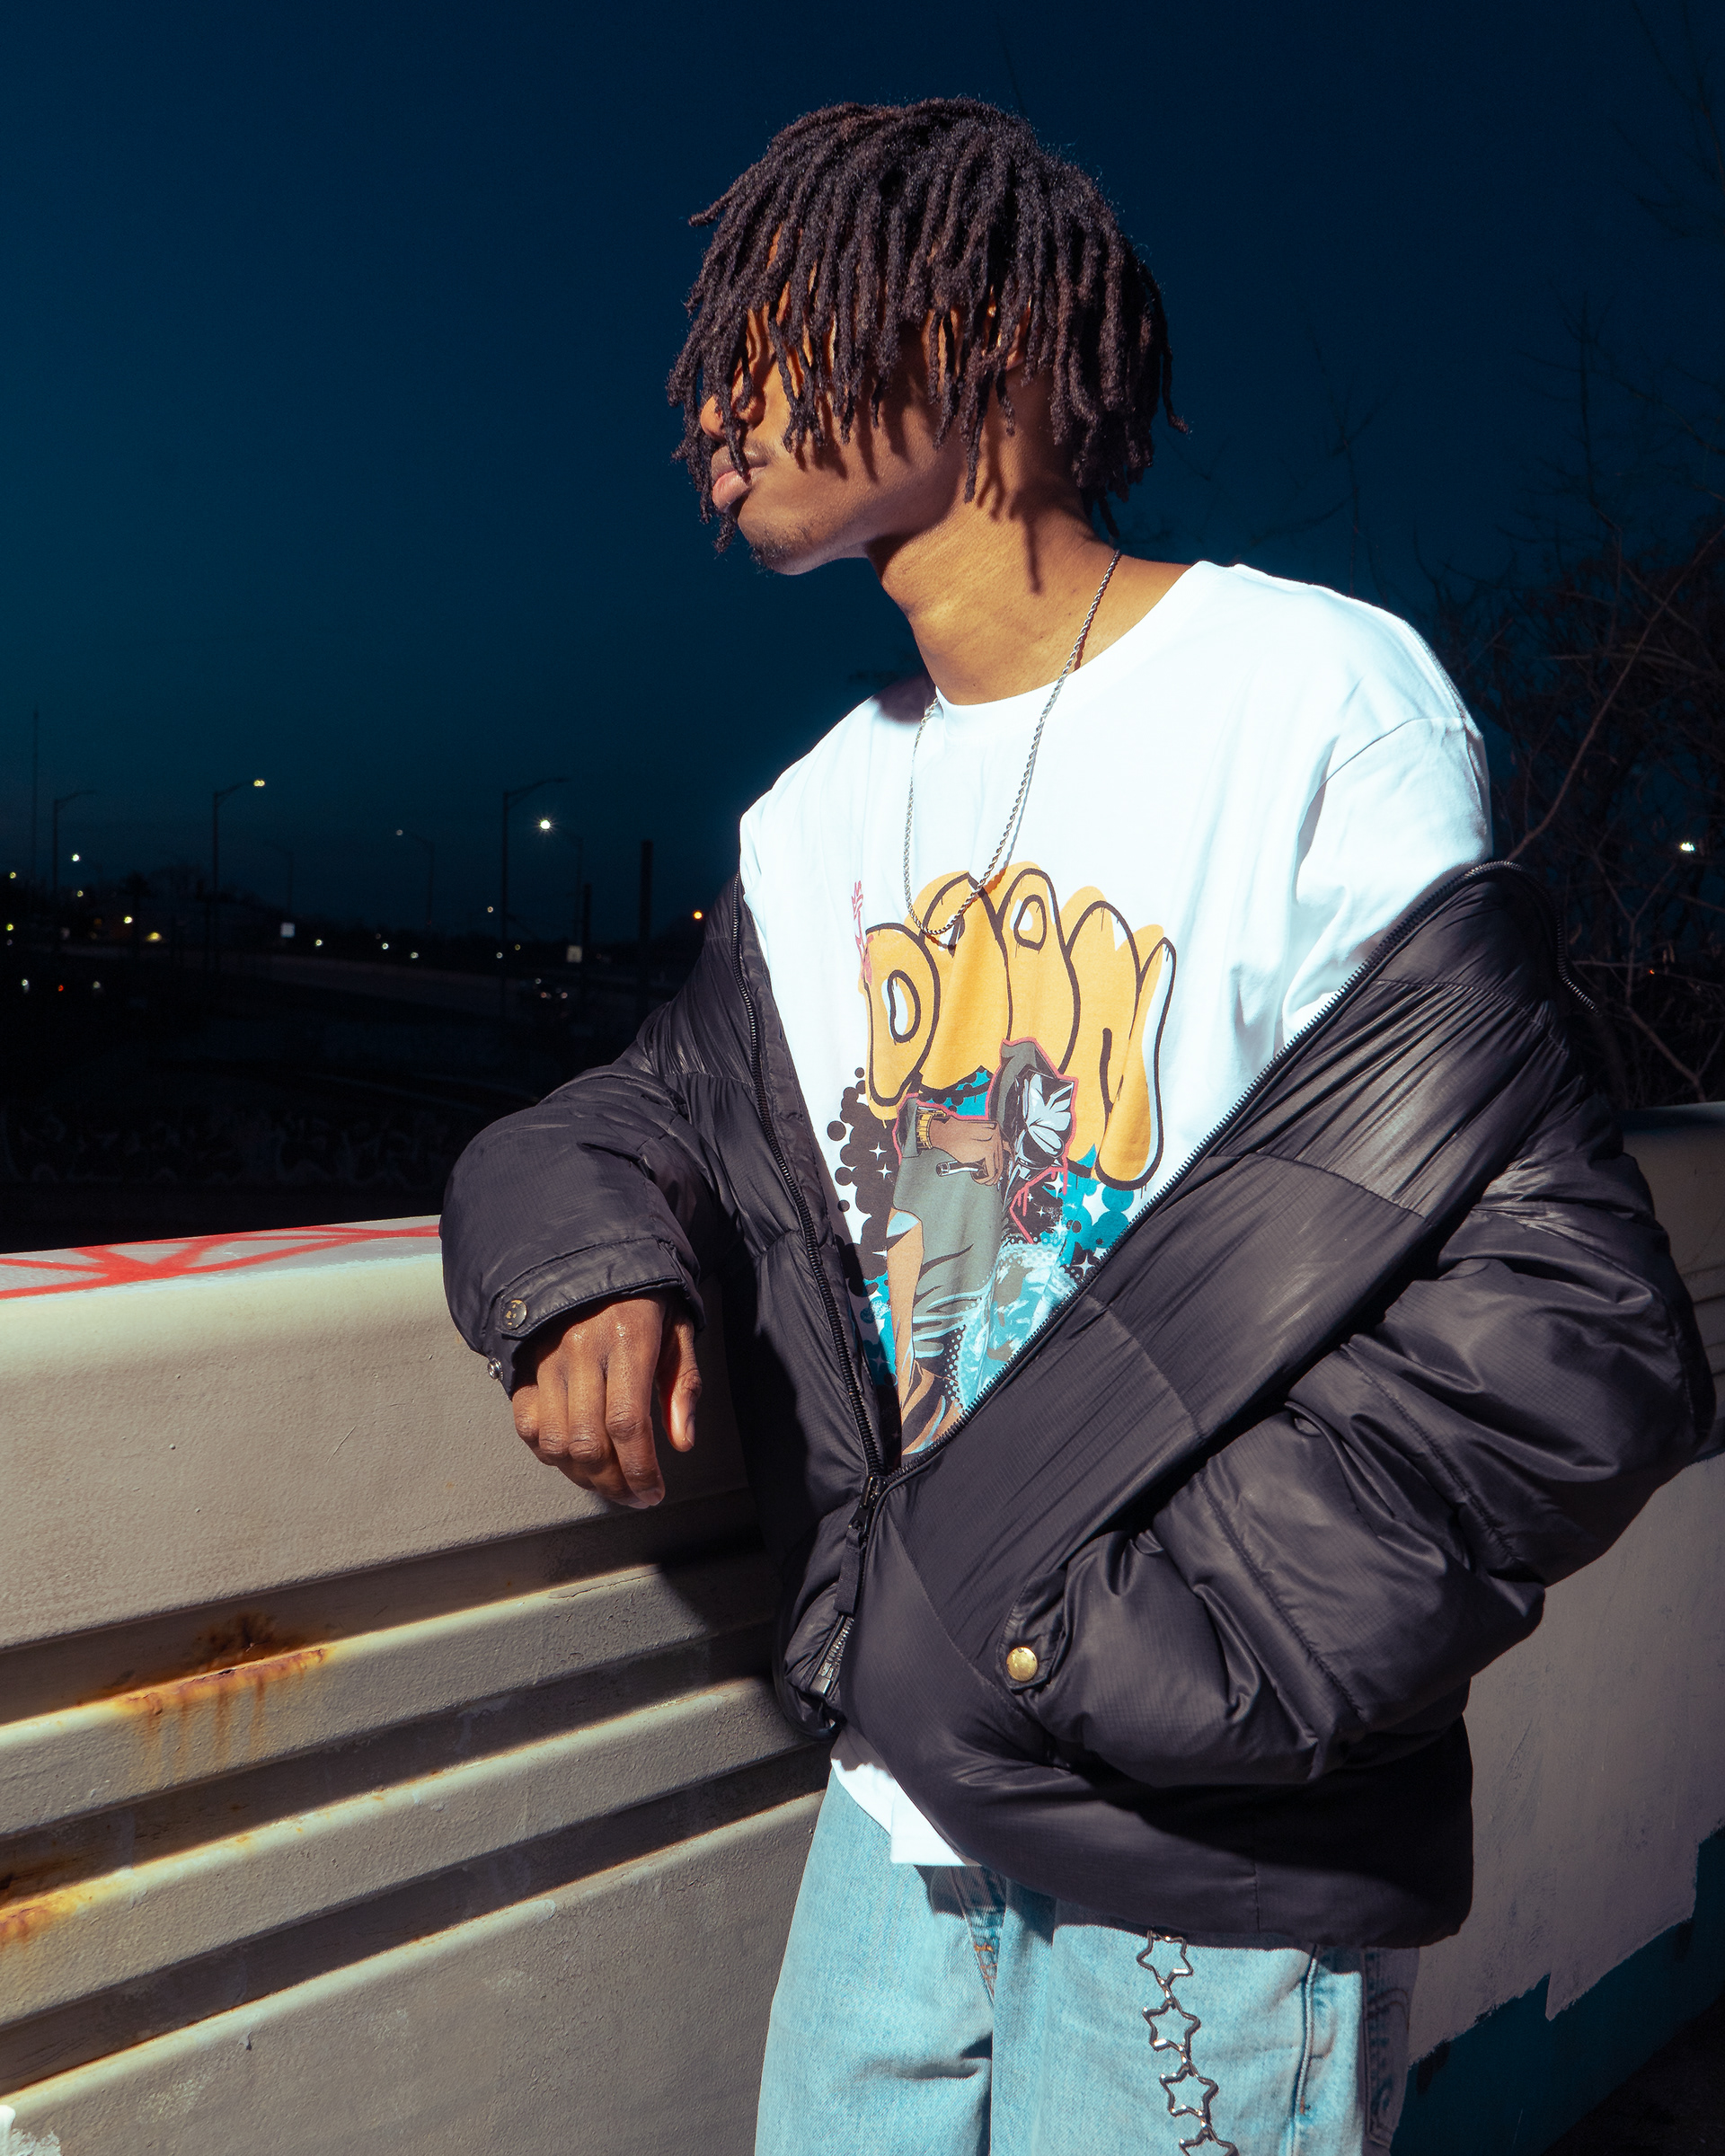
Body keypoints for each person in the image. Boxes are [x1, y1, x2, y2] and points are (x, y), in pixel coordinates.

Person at [441, 100, 1712, 2156]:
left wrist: (1144, 1652)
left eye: (778, 322)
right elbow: (639, 1114)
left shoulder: (1306, 697)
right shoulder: (816, 814)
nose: (713, 402)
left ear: (986, 340)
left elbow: (1564, 1321)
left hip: (1210, 1833)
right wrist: (591, 1270)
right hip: (900, 1794)